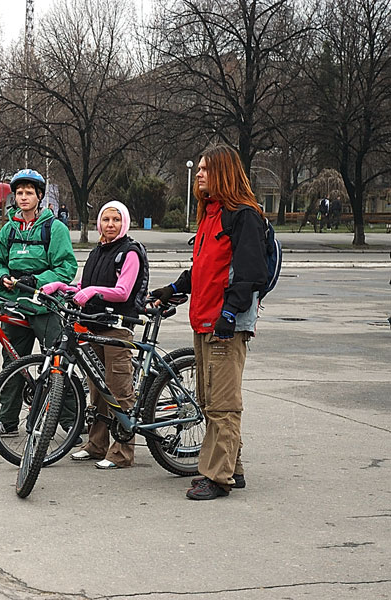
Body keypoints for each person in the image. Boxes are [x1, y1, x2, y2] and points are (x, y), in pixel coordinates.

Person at [150, 145, 268, 501]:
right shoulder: (211, 214)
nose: (199, 174)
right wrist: (173, 288)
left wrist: (229, 315)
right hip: (204, 320)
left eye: (205, 169)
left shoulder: (243, 215)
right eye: (198, 168)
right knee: (210, 399)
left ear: (223, 173)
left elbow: (251, 275)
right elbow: (204, 269)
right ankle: (234, 466)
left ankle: (217, 477)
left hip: (224, 325)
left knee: (222, 404)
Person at [42, 200, 147, 470]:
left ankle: (122, 452)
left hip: (117, 326)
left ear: (124, 223)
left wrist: (92, 292)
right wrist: (64, 287)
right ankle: (95, 443)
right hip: (93, 324)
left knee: (118, 388)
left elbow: (123, 291)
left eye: (115, 220)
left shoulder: (129, 252)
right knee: (97, 390)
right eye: (105, 220)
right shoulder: (98, 250)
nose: (110, 225)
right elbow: (84, 285)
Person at [0, 168, 77, 438]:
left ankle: (71, 421)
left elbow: (66, 268)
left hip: (45, 306)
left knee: (58, 363)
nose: (23, 197)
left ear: (39, 196)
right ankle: (7, 420)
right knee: (12, 364)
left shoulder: (54, 228)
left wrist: (35, 280)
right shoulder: (9, 229)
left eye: (29, 192)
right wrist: (2, 279)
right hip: (15, 305)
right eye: (19, 193)